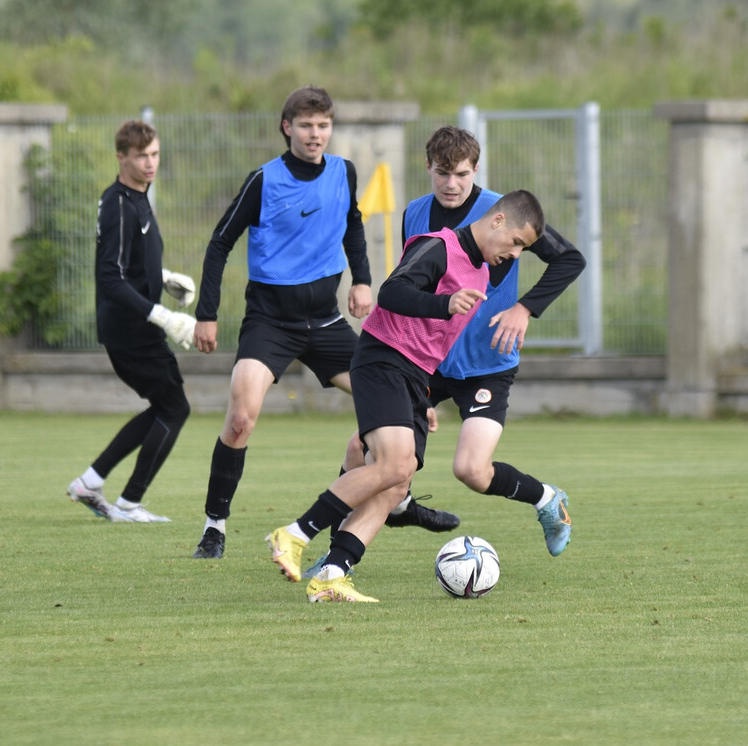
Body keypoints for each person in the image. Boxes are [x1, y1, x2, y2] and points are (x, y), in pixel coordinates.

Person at [188, 86, 456, 559]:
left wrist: (362, 280)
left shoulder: (342, 171)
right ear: (287, 127)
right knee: (240, 419)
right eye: (307, 125)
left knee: (407, 401)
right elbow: (219, 243)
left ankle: (399, 501)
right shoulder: (264, 180)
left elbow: (353, 224)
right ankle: (215, 526)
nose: (316, 134)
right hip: (269, 322)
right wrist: (206, 314)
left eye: (324, 125)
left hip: (326, 322)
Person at [266, 190, 546, 603]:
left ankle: (331, 574)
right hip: (383, 359)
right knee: (394, 464)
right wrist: (443, 302)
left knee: (398, 483)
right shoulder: (439, 246)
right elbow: (392, 293)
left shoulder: (482, 274)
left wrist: (424, 399)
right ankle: (293, 534)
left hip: (415, 378)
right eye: (518, 242)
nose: (516, 254)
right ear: (499, 220)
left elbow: (435, 342)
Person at [406, 126, 586, 556]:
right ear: (427, 167)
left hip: (488, 360)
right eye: (443, 173)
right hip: (429, 359)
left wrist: (524, 308)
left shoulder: (500, 212)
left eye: (462, 174)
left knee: (471, 470)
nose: (452, 184)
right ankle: (338, 558)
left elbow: (569, 258)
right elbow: (411, 287)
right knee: (369, 449)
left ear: (476, 169)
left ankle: (546, 499)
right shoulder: (414, 213)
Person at [65, 119, 197, 523]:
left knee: (165, 406)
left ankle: (90, 481)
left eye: (155, 154)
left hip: (134, 326)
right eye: (141, 156)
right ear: (121, 157)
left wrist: (163, 278)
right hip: (131, 329)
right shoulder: (120, 204)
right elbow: (109, 276)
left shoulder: (138, 197)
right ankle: (128, 503)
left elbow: (129, 265)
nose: (150, 163)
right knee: (174, 408)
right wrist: (161, 314)